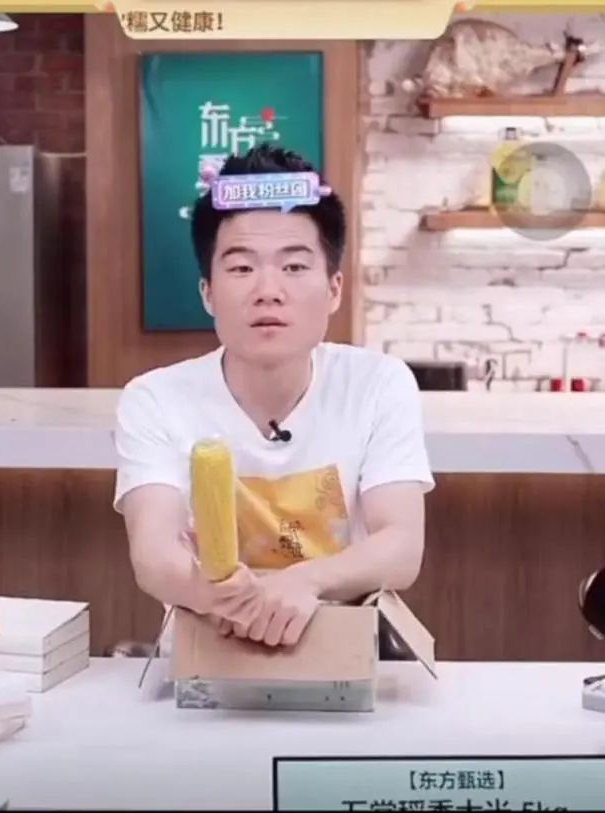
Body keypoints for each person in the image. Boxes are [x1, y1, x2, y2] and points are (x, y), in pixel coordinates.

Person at [113, 143, 435, 653]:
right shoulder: (155, 399)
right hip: (206, 657)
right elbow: (153, 553)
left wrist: (305, 581)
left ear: (334, 289)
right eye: (242, 269)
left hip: (341, 656)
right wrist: (225, 598)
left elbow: (401, 546)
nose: (268, 290)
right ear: (207, 292)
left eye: (294, 267)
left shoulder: (378, 384)